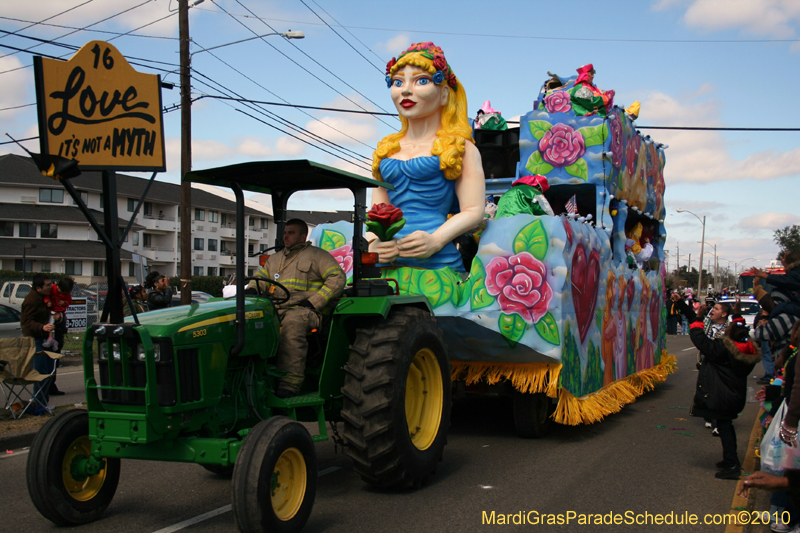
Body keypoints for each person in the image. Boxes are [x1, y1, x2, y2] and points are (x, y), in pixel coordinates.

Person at [370, 41, 485, 272]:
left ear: (444, 94)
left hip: (438, 266)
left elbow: (474, 210)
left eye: (421, 80)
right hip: (388, 266)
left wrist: (437, 240)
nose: (405, 90)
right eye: (397, 82)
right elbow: (376, 213)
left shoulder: (462, 148)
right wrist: (373, 243)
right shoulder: (386, 150)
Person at [249, 219, 346, 397]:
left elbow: (337, 278)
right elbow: (260, 279)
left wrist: (313, 302)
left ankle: (289, 384)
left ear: (303, 236)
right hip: (276, 309)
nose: (286, 236)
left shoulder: (318, 256)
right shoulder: (275, 259)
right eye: (285, 232)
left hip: (306, 311)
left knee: (292, 325)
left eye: (291, 233)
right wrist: (252, 289)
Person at [674, 295, 759, 479]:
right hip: (732, 394)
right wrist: (737, 315)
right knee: (725, 426)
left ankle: (732, 464)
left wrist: (698, 319)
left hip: (724, 394)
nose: (728, 327)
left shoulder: (723, 348)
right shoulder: (742, 346)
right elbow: (739, 327)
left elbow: (700, 341)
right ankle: (729, 459)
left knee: (725, 428)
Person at [19, 273, 57, 415]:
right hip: (36, 339)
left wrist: (56, 317)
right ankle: (39, 403)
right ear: (39, 288)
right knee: (40, 373)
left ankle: (43, 402)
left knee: (48, 373)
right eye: (47, 285)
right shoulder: (31, 300)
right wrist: (42, 327)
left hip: (46, 339)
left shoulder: (45, 298)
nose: (50, 287)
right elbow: (27, 322)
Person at [43, 276, 73, 396]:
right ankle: (45, 386)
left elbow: (68, 303)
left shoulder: (66, 296)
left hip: (59, 319)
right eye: (61, 291)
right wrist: (48, 302)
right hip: (49, 318)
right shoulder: (52, 289)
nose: (62, 293)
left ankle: (51, 385)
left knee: (55, 359)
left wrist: (64, 303)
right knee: (46, 360)